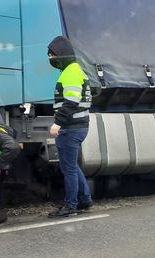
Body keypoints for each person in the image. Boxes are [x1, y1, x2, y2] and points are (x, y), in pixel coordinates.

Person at [46, 36, 93, 217]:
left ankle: (70, 206)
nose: (50, 59)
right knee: (72, 166)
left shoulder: (71, 72)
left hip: (70, 127)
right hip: (78, 126)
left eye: (52, 55)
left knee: (69, 169)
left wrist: (58, 123)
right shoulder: (74, 70)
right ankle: (85, 200)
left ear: (61, 54)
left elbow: (71, 101)